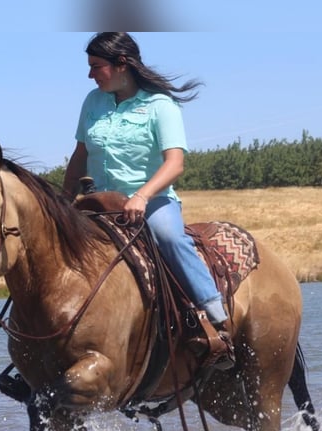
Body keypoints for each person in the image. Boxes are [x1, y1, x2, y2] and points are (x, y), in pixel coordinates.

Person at [63, 32, 233, 368]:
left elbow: (175, 163)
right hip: (98, 204)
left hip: (152, 202)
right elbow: (79, 155)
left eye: (97, 66)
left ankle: (215, 322)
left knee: (170, 238)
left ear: (121, 64)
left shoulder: (160, 106)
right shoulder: (92, 102)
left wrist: (142, 195)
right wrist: (63, 202)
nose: (90, 74)